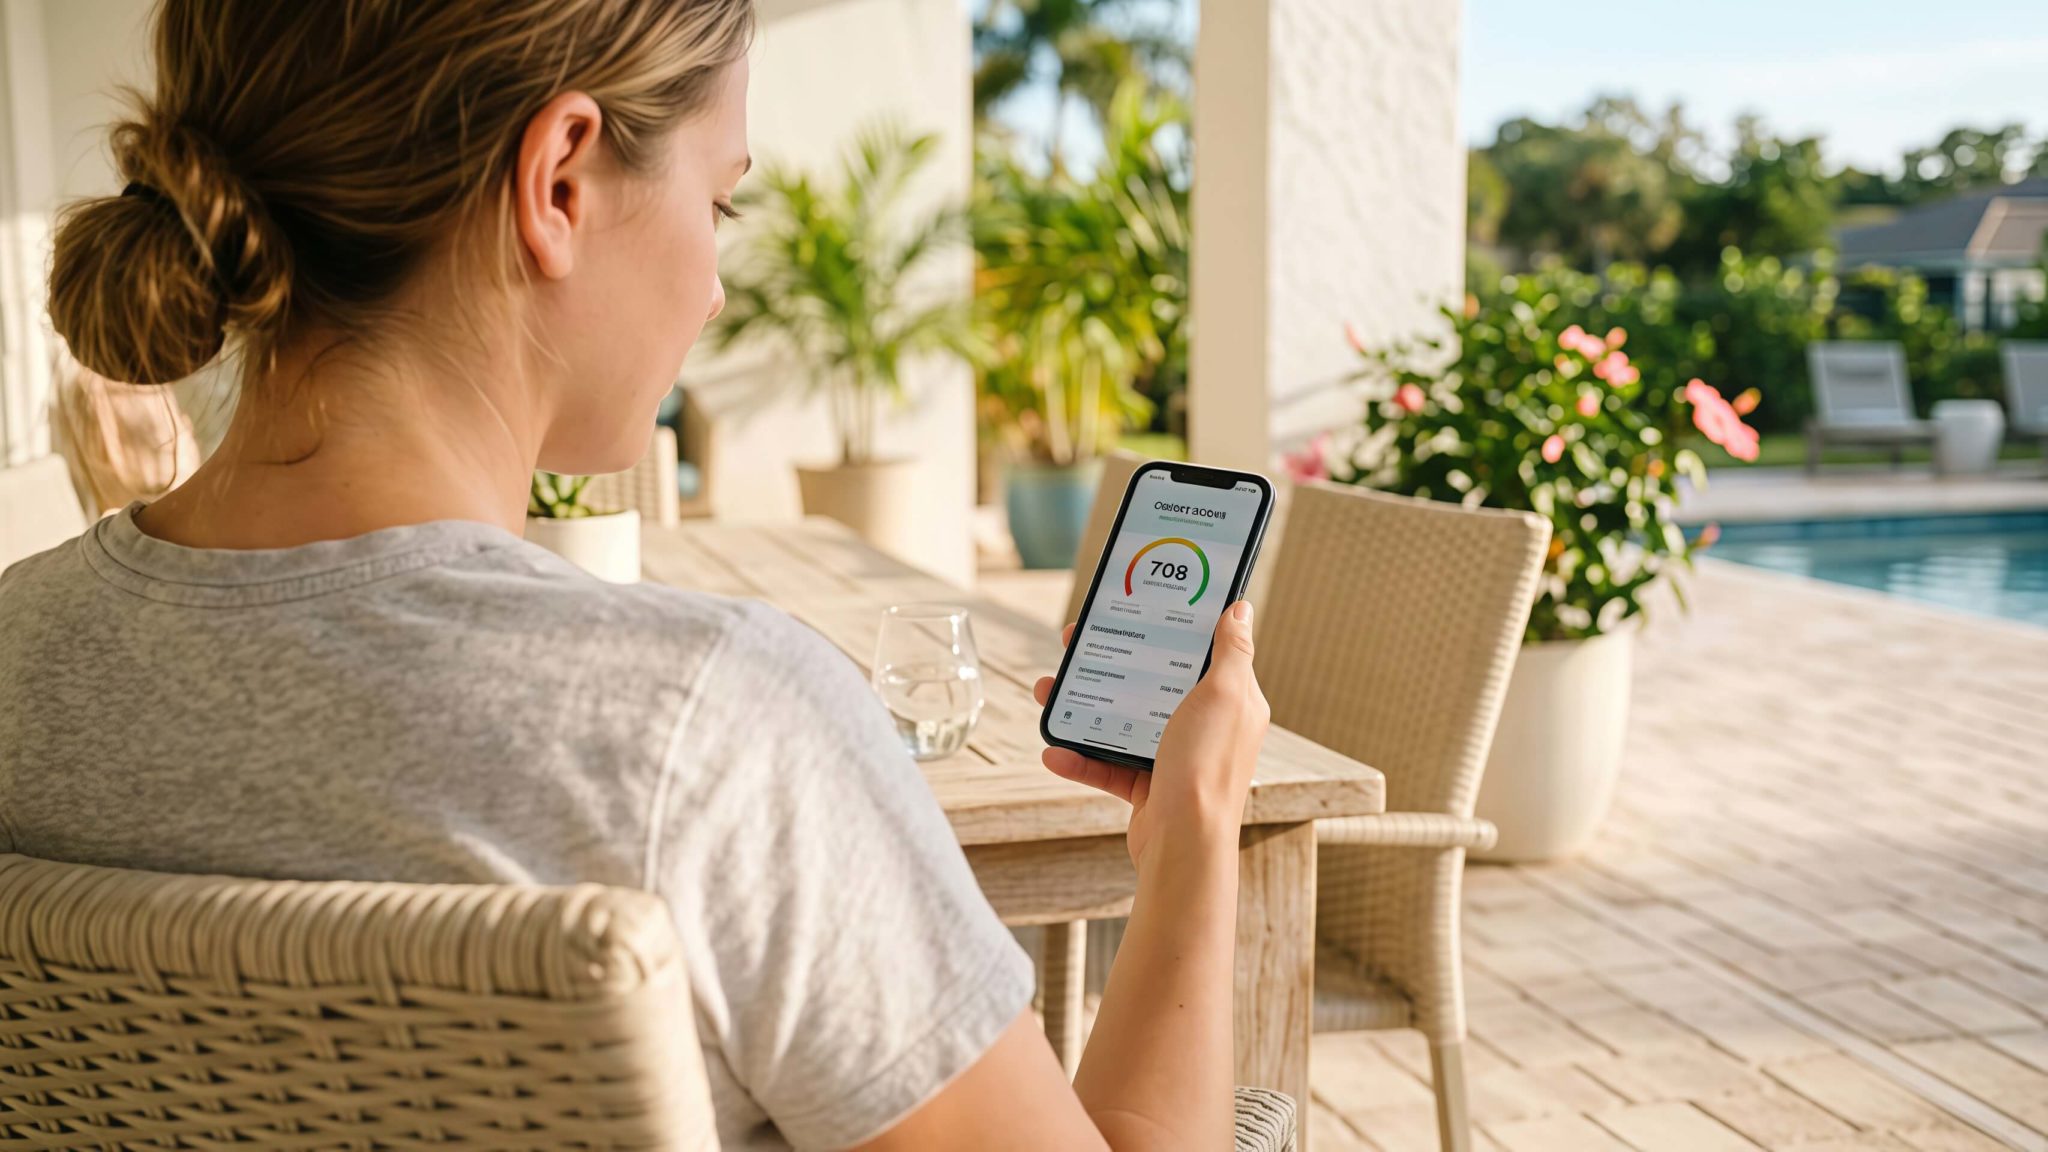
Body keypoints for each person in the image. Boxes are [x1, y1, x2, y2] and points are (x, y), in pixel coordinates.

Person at [0, 2, 1271, 1149]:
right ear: (557, 181)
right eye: (719, 205)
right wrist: (1193, 833)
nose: (713, 290)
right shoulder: (714, 727)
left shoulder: (18, 652)